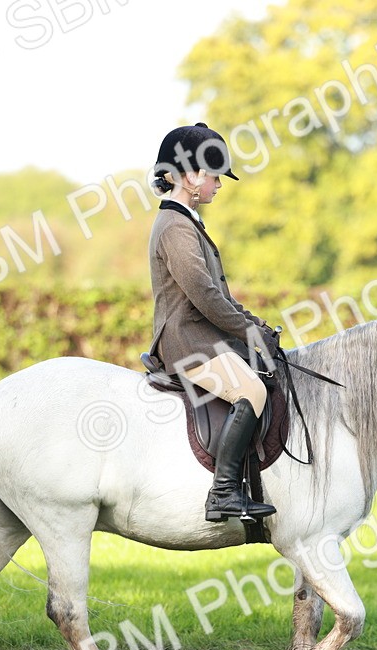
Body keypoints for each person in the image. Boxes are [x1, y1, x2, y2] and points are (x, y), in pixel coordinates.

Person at [147, 123, 280, 522]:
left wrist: (255, 324)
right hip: (187, 342)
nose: (219, 184)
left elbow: (218, 296)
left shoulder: (185, 221)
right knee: (252, 391)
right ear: (190, 176)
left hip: (203, 337)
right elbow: (205, 297)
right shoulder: (175, 227)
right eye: (214, 175)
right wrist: (249, 331)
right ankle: (222, 493)